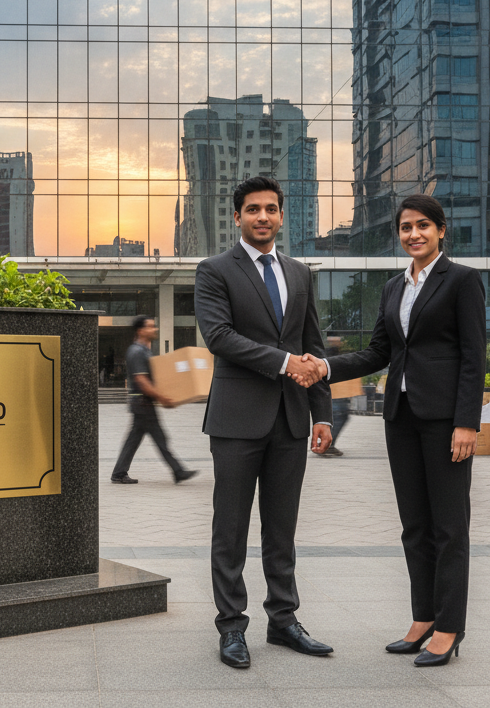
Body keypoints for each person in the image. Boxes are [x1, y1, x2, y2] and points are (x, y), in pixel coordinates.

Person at [291, 193, 486, 667]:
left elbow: (473, 358)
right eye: (405, 228)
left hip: (444, 422)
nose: (414, 234)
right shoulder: (393, 288)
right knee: (414, 526)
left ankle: (449, 627)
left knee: (449, 527)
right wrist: (324, 368)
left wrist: (466, 423)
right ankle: (422, 619)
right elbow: (379, 352)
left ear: (441, 230)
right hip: (400, 418)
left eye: (423, 225)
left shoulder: (461, 281)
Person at [193, 176, 334, 670]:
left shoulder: (299, 273)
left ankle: (284, 620)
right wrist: (283, 363)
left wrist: (322, 414)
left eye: (271, 209)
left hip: (292, 420)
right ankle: (231, 626)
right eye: (253, 209)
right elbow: (219, 336)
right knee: (230, 528)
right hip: (236, 420)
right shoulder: (214, 271)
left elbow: (312, 345)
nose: (262, 217)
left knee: (282, 527)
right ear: (237, 217)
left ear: (281, 216)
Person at [110, 316, 199, 486]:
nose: (155, 329)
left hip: (142, 403)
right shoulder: (137, 351)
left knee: (134, 439)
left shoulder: (144, 350)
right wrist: (162, 398)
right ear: (140, 331)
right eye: (151, 327)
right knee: (160, 438)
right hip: (142, 403)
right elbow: (142, 381)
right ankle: (178, 471)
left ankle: (119, 473)